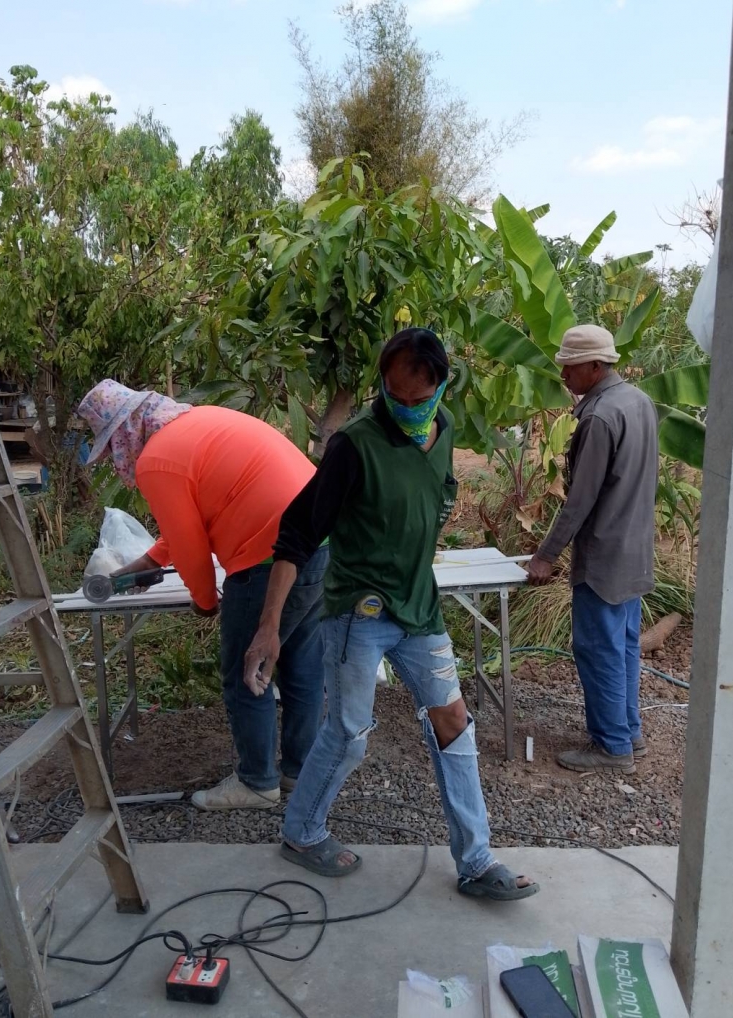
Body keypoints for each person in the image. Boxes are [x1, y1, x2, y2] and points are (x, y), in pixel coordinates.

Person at [244, 329, 539, 902]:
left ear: (441, 387)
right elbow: (297, 535)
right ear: (382, 385)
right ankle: (302, 832)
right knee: (350, 733)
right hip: (359, 613)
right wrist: (269, 626)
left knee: (453, 721)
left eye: (418, 399)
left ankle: (477, 862)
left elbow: (436, 492)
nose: (406, 409)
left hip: (419, 608)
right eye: (395, 397)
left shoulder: (444, 428)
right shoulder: (354, 446)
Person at [77, 380, 328, 809]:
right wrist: (147, 563)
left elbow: (191, 549)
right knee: (301, 665)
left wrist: (206, 601)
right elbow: (188, 524)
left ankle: (256, 783)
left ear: (123, 434)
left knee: (246, 666)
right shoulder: (197, 424)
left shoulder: (156, 460)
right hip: (320, 544)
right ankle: (299, 774)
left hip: (266, 556)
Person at [528, 325, 659, 775]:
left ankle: (612, 747)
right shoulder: (639, 402)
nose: (564, 375)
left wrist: (546, 555)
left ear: (596, 366)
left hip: (604, 557)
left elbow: (579, 500)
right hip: (635, 550)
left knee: (599, 650)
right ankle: (629, 733)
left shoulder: (600, 417)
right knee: (623, 647)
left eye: (570, 367)